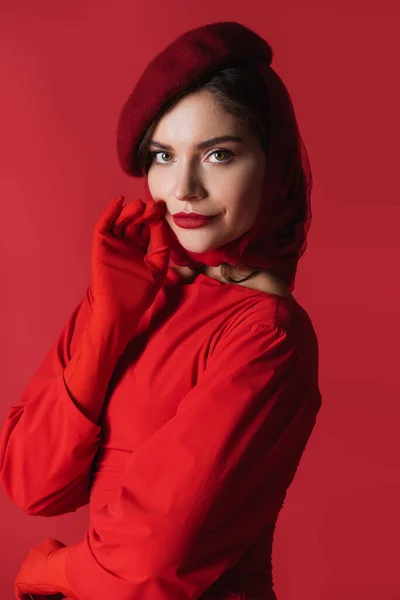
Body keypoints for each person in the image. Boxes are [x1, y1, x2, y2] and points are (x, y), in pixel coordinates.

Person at [0, 21, 322, 600]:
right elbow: (33, 482)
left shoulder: (266, 334)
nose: (183, 188)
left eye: (219, 154)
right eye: (163, 155)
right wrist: (108, 321)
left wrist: (51, 570)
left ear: (272, 166)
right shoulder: (138, 291)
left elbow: (152, 561)